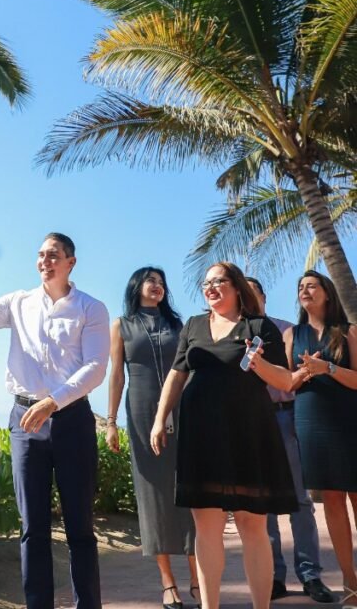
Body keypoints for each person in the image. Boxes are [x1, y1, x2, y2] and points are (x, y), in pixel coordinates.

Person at [0, 233, 109, 609]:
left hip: (72, 420)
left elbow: (95, 368)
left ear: (70, 262)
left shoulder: (91, 308)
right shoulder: (18, 302)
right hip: (24, 420)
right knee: (32, 528)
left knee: (79, 527)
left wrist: (53, 403)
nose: (44, 261)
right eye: (40, 255)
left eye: (53, 255)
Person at [150, 261, 300, 609]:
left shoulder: (259, 326)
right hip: (201, 434)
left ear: (236, 287)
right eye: (206, 283)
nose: (211, 287)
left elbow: (285, 381)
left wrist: (259, 362)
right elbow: (176, 375)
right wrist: (160, 419)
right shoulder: (194, 325)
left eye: (219, 281)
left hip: (248, 432)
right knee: (206, 525)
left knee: (252, 524)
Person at [106, 267, 197, 609]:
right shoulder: (122, 325)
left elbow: (191, 369)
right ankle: (167, 581)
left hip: (182, 411)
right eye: (150, 280)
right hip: (142, 413)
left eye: (161, 281)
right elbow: (116, 375)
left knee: (188, 491)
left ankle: (196, 575)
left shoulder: (180, 325)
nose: (157, 286)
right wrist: (111, 421)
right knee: (153, 495)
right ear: (136, 287)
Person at [244, 276, 334, 604]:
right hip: (255, 421)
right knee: (263, 504)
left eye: (253, 292)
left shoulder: (288, 330)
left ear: (264, 296)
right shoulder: (238, 335)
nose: (249, 299)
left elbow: (306, 371)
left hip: (289, 416)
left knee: (299, 499)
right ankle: (273, 577)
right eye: (244, 295)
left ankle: (310, 575)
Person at [286, 270, 357, 607]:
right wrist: (304, 372)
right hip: (310, 421)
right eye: (301, 287)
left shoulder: (348, 332)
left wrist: (326, 368)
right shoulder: (291, 334)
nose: (305, 291)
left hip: (348, 419)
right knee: (331, 499)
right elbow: (287, 381)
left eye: (311, 286)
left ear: (327, 294)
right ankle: (349, 581)